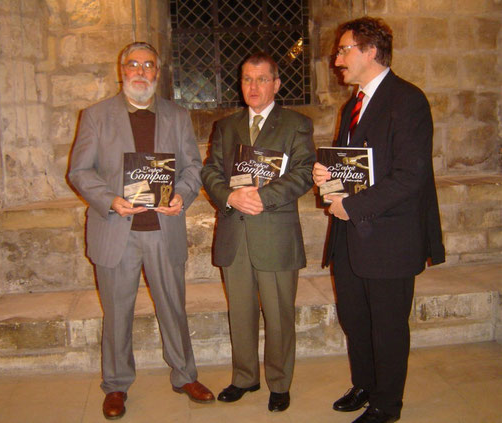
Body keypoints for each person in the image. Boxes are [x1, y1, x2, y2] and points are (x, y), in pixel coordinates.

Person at [68, 41, 214, 420]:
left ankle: (185, 375)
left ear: (157, 71)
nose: (140, 71)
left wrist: (182, 196)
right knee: (117, 313)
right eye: (132, 64)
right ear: (122, 70)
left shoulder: (177, 115)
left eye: (148, 65)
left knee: (173, 308)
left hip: (164, 229)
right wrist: (109, 199)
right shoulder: (97, 116)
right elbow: (80, 171)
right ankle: (115, 385)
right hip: (116, 229)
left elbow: (193, 168)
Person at [312, 17, 445, 423]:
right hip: (351, 238)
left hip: (389, 237)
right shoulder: (353, 104)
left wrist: (351, 206)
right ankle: (365, 384)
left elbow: (410, 176)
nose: (337, 60)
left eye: (344, 50)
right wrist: (328, 178)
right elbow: (356, 168)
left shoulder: (407, 100)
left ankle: (387, 405)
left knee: (387, 327)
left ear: (370, 51)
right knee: (355, 318)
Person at [201, 52, 316, 412]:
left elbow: (303, 172)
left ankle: (279, 382)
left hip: (275, 232)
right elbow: (210, 173)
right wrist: (231, 196)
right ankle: (245, 377)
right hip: (235, 232)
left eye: (262, 79)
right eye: (247, 79)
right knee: (241, 311)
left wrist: (261, 198)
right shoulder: (226, 126)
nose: (253, 86)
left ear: (276, 84)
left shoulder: (296, 124)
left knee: (279, 314)